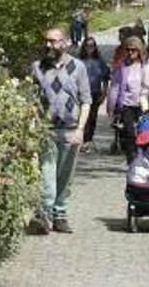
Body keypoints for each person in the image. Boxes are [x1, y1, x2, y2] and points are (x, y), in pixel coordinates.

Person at [30, 27, 91, 234]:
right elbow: (31, 100)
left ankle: (60, 214)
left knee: (65, 176)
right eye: (46, 41)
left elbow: (86, 101)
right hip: (46, 129)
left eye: (53, 41)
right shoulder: (37, 68)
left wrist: (81, 129)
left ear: (64, 43)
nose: (48, 45)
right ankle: (45, 215)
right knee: (47, 175)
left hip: (70, 129)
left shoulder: (78, 67)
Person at [106, 35, 147, 161]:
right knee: (129, 133)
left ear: (139, 50)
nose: (130, 52)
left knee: (144, 133)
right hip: (127, 105)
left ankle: (143, 158)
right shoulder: (122, 67)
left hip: (143, 105)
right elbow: (114, 87)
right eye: (128, 49)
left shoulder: (146, 66)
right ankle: (132, 159)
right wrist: (111, 108)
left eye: (134, 50)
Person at [77, 36, 110, 153]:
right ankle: (82, 140)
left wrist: (105, 92)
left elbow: (106, 78)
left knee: (92, 118)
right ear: (84, 47)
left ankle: (88, 140)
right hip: (80, 93)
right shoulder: (78, 62)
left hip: (95, 92)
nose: (89, 48)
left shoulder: (100, 62)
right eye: (87, 45)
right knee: (82, 117)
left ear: (95, 47)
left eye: (92, 45)